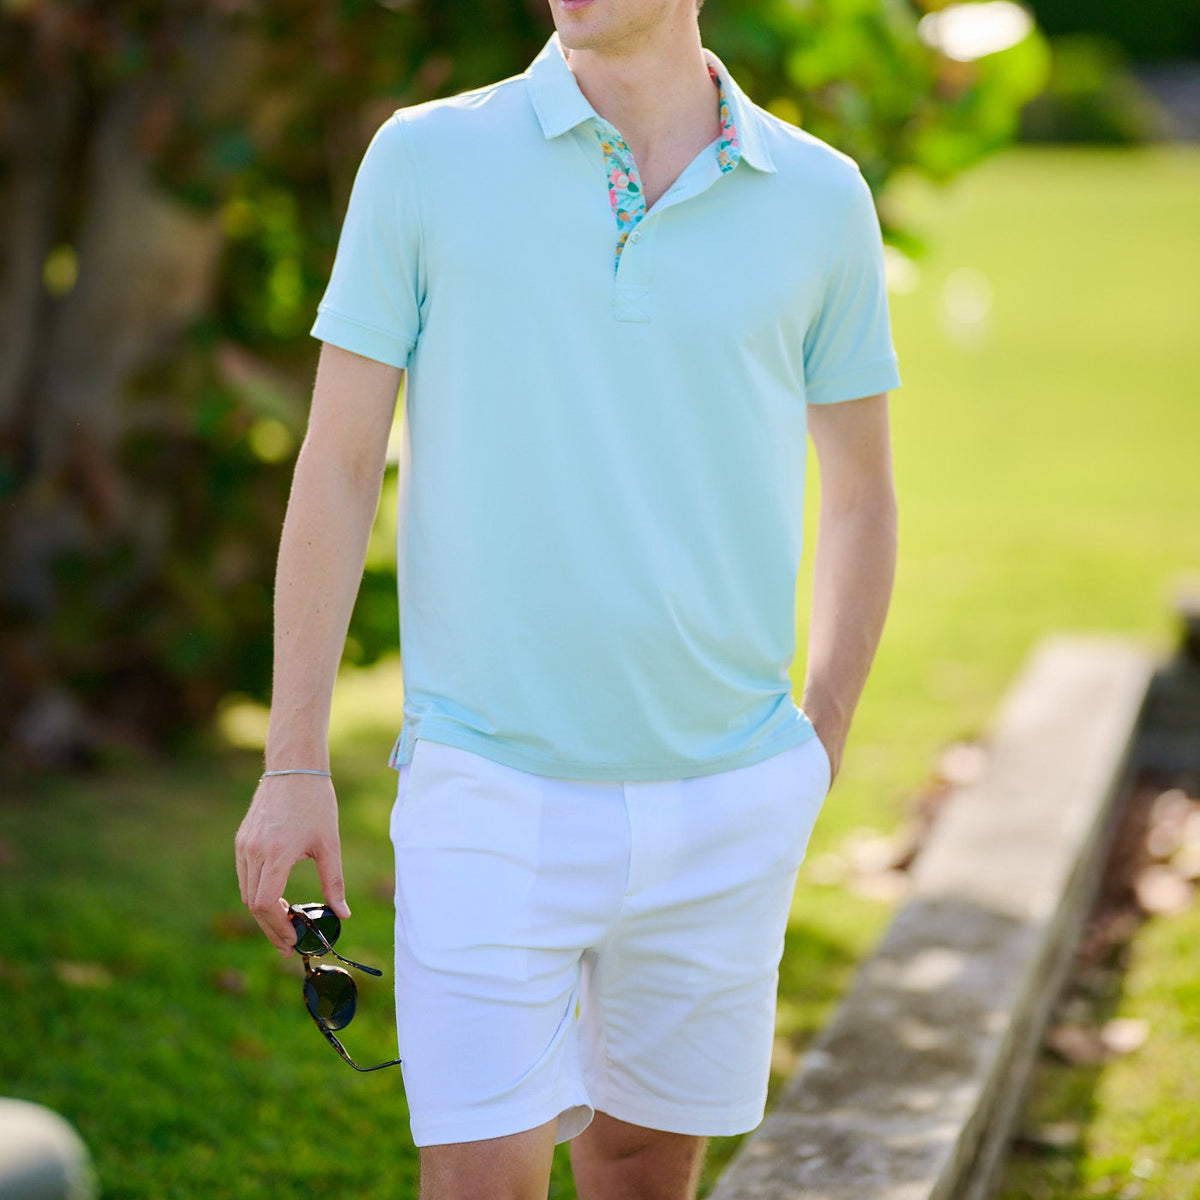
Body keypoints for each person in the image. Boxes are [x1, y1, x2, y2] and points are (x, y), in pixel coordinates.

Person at [235, 0, 900, 1196]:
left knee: (646, 1170)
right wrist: (293, 762)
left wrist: (818, 746)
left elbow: (861, 494)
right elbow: (336, 468)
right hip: (488, 788)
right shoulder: (427, 157)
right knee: (477, 1178)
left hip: (727, 798)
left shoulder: (820, 195)